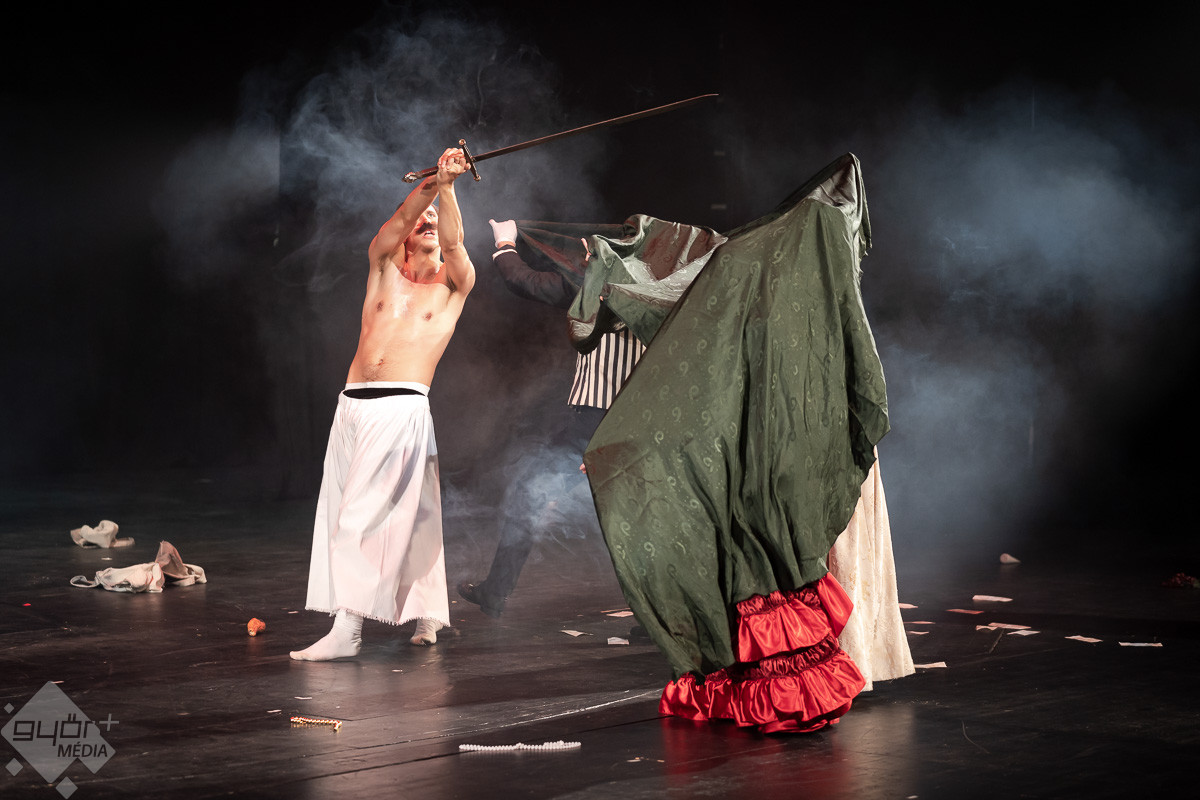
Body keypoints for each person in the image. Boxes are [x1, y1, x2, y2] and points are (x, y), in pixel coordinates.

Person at [291, 147, 475, 661]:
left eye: (435, 218)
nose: (428, 223)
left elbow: (455, 243)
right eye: (423, 219)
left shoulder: (455, 282)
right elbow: (396, 222)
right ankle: (428, 611)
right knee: (405, 514)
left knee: (360, 516)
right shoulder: (382, 267)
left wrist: (447, 187)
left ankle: (347, 631)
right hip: (352, 405)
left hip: (400, 408)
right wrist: (431, 184)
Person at [456, 219, 644, 617]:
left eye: (592, 252)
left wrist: (505, 242)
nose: (585, 257)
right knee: (634, 518)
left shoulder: (597, 290)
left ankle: (496, 591)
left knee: (539, 496)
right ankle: (496, 591)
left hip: (598, 423)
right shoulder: (656, 295)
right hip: (623, 425)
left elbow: (525, 281)